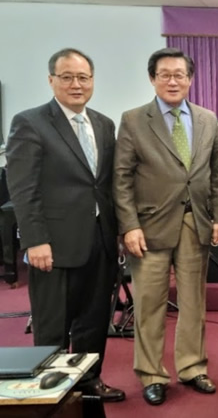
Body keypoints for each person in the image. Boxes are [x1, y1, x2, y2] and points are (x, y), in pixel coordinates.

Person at [6, 48, 125, 402]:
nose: (77, 84)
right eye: (67, 77)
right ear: (51, 80)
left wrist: (117, 232)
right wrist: (34, 240)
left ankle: (88, 382)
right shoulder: (30, 123)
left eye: (83, 77)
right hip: (53, 245)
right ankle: (52, 393)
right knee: (53, 324)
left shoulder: (103, 124)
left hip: (99, 240)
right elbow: (23, 189)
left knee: (94, 319)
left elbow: (104, 185)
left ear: (92, 81)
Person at [113, 47, 218, 406]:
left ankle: (193, 367)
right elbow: (121, 178)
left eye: (180, 74)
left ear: (190, 79)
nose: (173, 81)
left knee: (194, 301)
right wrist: (129, 225)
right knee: (150, 305)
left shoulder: (207, 119)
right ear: (152, 78)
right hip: (148, 227)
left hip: (196, 223)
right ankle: (152, 374)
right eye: (165, 74)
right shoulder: (134, 119)